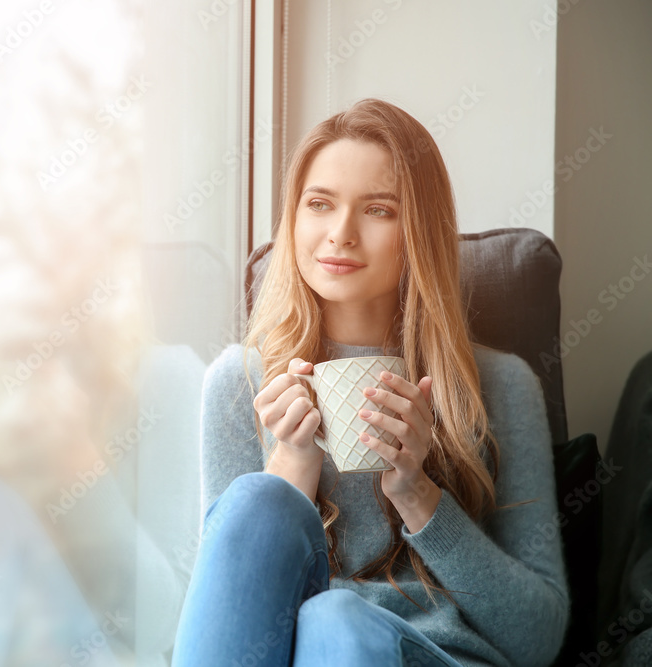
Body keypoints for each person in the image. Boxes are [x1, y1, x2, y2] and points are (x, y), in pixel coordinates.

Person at [170, 98, 570, 667]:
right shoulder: (239, 383)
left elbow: (539, 639)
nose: (340, 233)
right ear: (294, 220)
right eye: (319, 204)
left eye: (378, 210)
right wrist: (291, 465)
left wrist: (417, 492)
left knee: (335, 618)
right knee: (261, 500)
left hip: (439, 656)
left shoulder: (501, 385)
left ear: (419, 231)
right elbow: (226, 613)